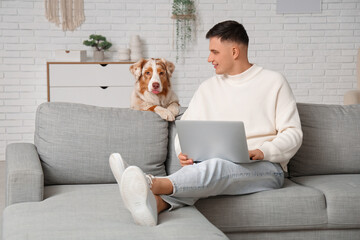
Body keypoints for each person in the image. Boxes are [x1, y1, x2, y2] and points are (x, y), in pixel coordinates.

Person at [109, 20, 303, 227]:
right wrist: (184, 151)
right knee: (211, 167)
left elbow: (293, 133)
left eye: (214, 52)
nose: (209, 58)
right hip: (211, 164)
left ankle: (149, 183)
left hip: (265, 168)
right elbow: (185, 130)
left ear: (235, 52)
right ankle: (154, 205)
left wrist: (263, 151)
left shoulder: (274, 82)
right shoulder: (207, 88)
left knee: (217, 166)